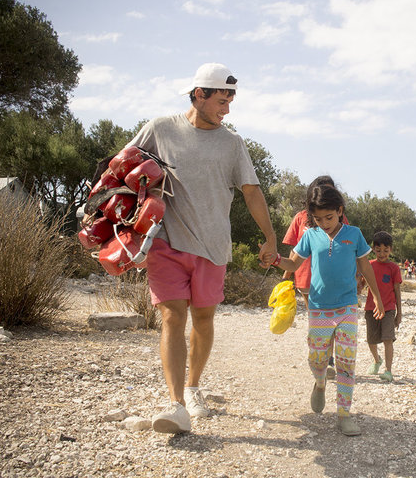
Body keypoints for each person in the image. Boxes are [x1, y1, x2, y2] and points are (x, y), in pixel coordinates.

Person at [126, 63, 277, 434]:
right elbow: (122, 168)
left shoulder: (232, 143)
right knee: (173, 317)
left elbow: (251, 191)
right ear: (199, 94)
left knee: (204, 319)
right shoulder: (160, 129)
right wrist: (119, 230)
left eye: (230, 100)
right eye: (221, 100)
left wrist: (270, 237)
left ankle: (194, 387)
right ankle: (176, 403)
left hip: (213, 246)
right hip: (166, 241)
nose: (227, 108)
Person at [268, 185, 384, 436]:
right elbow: (292, 263)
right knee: (317, 359)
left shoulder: (354, 235)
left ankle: (344, 414)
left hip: (347, 308)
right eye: (318, 219)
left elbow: (366, 268)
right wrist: (275, 259)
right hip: (319, 309)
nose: (324, 223)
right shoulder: (310, 235)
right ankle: (320, 383)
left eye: (329, 217)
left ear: (340, 211)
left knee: (346, 361)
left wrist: (377, 297)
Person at [281, 175, 349, 380]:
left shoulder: (340, 219)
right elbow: (294, 251)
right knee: (318, 320)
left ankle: (327, 359)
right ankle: (324, 359)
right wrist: (286, 279)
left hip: (333, 279)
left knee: (332, 321)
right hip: (305, 278)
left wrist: (356, 277)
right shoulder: (300, 218)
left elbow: (348, 248)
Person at [361, 231, 402, 382]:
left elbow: (397, 291)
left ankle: (388, 371)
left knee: (388, 339)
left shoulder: (394, 268)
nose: (382, 254)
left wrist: (399, 313)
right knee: (371, 340)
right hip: (371, 308)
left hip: (389, 309)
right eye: (378, 250)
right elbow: (361, 285)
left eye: (386, 250)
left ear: (391, 249)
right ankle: (377, 360)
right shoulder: (369, 265)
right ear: (373, 249)